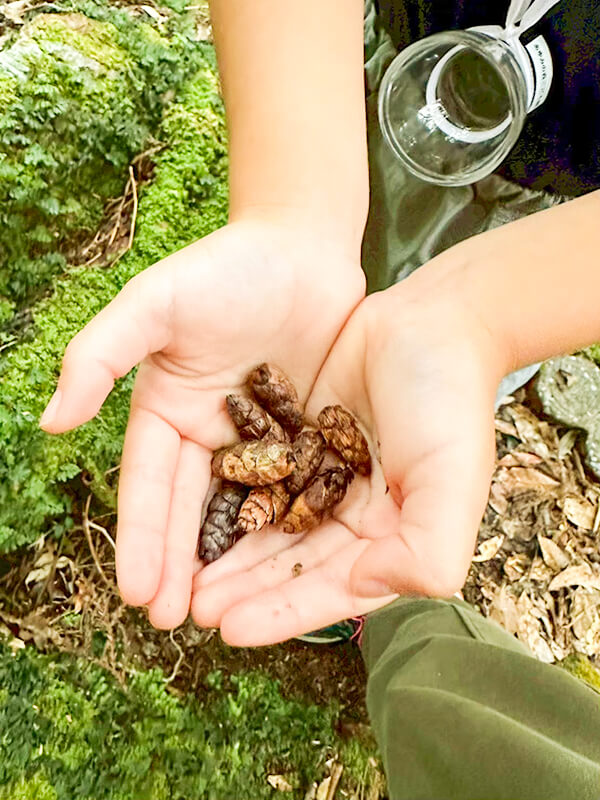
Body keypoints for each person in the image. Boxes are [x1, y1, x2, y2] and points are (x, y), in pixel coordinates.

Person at [39, 1, 600, 796]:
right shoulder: (290, 438)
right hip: (379, 95)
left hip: (563, 218)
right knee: (367, 279)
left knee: (439, 374)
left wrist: (487, 320)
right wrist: (291, 212)